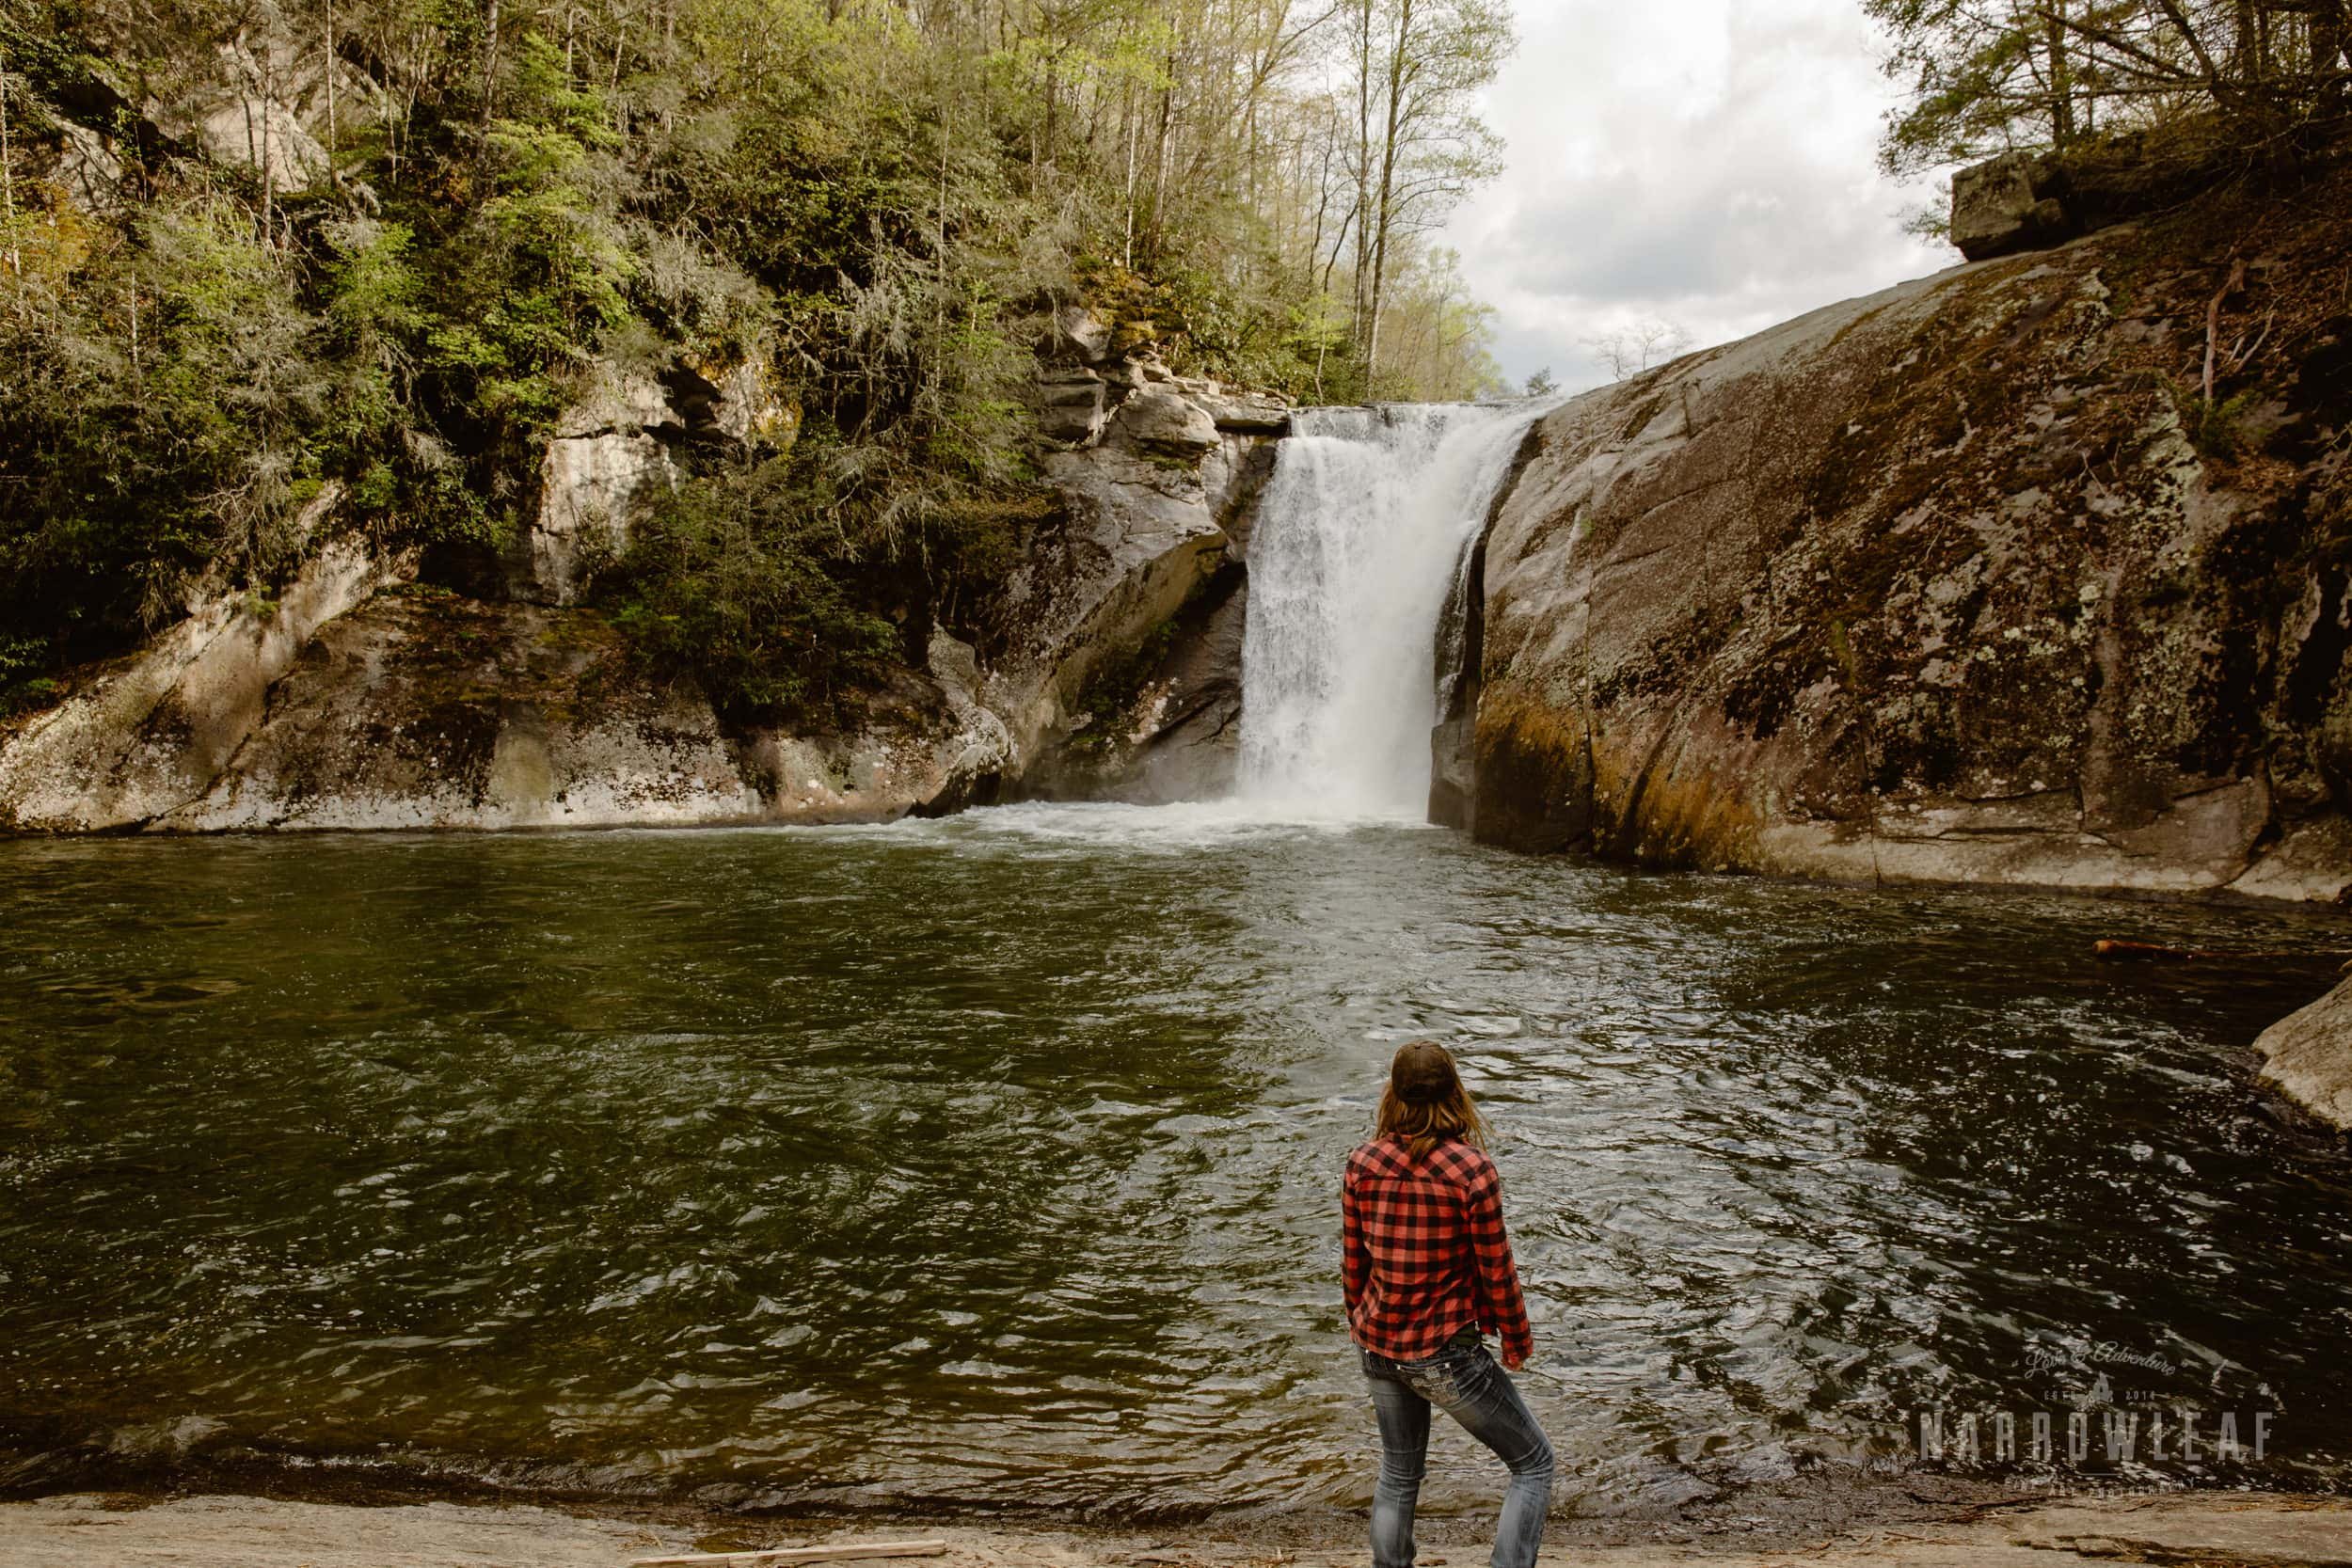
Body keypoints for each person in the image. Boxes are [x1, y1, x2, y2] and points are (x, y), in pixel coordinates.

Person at [1343, 1040, 1552, 1568]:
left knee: (1398, 1470)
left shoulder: (1362, 1162)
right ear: (1455, 1094)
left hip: (1379, 1344)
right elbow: (1495, 1267)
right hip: (1444, 1352)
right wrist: (1516, 1340)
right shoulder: (1470, 1170)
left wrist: (1360, 1324)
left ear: (1393, 1093)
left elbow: (1354, 1262)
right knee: (1533, 1464)